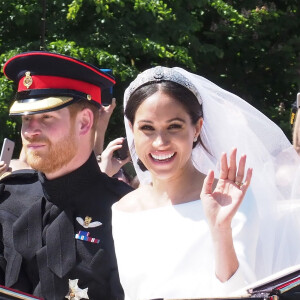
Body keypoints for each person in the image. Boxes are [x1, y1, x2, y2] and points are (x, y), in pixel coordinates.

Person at [111, 66, 300, 299]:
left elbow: (243, 293)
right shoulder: (122, 211)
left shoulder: (229, 199)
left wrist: (221, 229)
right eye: (147, 128)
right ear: (132, 129)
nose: (160, 142)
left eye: (174, 127)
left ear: (197, 128)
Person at [0, 51, 132, 300]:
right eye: (26, 119)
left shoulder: (126, 208)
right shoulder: (7, 199)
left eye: (46, 117)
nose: (29, 131)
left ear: (84, 122)